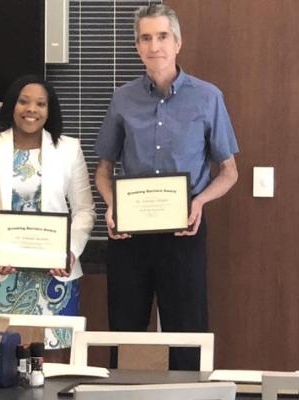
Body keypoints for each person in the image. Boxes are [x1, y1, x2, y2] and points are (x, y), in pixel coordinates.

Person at [94, 4, 239, 370]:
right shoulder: (122, 98)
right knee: (126, 329)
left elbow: (229, 172)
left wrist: (200, 202)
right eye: (146, 37)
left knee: (186, 328)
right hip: (130, 235)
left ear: (177, 42)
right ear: (137, 45)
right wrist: (112, 205)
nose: (154, 45)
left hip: (183, 229)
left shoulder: (208, 97)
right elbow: (103, 169)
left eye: (162, 36)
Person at [0, 75, 95, 349]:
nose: (31, 109)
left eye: (40, 104)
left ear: (49, 110)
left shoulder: (69, 149)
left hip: (56, 276)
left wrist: (70, 251)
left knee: (55, 360)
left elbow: (85, 211)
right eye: (24, 101)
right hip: (1, 274)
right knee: (3, 355)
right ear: (12, 105)